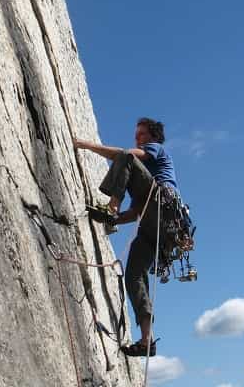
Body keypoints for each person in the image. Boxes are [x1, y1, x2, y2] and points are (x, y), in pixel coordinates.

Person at [73, 117, 180, 357]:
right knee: (133, 277)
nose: (137, 138)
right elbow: (134, 213)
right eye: (137, 134)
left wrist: (87, 145)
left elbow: (125, 156)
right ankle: (146, 340)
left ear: (152, 137)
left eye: (141, 134)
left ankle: (110, 207)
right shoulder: (143, 180)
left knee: (125, 156)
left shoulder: (155, 150)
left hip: (163, 209)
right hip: (159, 229)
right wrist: (114, 220)